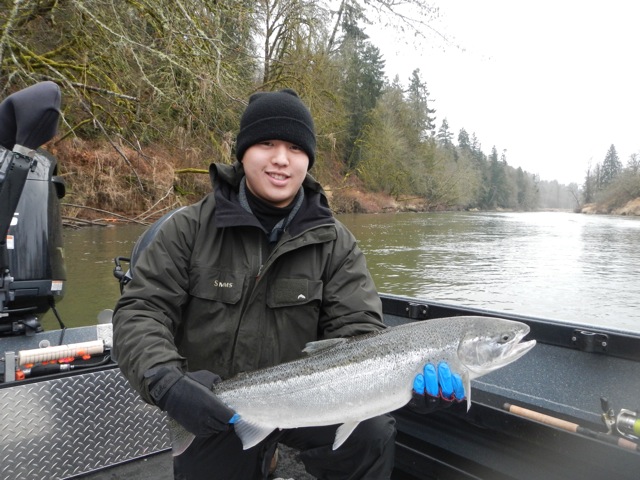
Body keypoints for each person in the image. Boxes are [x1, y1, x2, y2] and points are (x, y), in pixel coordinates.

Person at [112, 89, 465, 480]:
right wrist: (167, 382)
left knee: (371, 432)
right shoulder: (188, 229)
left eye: (295, 148)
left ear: (308, 161)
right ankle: (259, 454)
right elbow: (141, 311)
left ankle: (277, 454)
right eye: (267, 143)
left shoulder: (336, 244)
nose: (281, 159)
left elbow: (360, 333)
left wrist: (407, 387)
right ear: (243, 152)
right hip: (215, 404)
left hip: (315, 399)